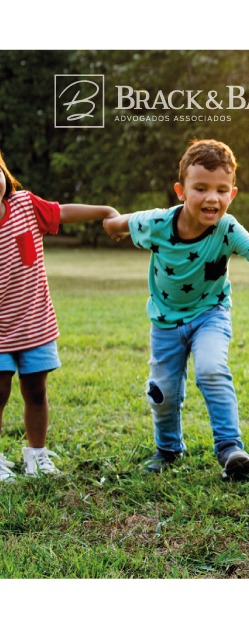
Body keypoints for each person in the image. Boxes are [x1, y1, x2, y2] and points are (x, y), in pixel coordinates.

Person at [103, 139, 249, 481]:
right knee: (162, 392)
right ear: (181, 191)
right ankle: (169, 448)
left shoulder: (227, 228)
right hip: (165, 322)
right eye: (200, 188)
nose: (211, 198)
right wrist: (112, 226)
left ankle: (230, 448)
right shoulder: (158, 223)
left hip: (209, 315)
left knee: (213, 369)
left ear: (232, 194)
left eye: (221, 190)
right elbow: (120, 222)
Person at [0, 149, 118, 482]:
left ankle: (36, 454)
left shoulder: (24, 205)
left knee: (36, 391)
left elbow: (62, 212)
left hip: (34, 322)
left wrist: (104, 211)